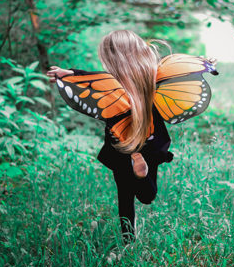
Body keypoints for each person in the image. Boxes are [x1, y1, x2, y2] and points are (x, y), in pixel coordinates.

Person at [47, 30, 218, 242]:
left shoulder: (110, 82)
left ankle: (128, 240)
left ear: (109, 57)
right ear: (139, 50)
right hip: (152, 139)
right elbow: (181, 68)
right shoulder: (152, 73)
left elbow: (89, 80)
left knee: (125, 195)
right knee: (147, 196)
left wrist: (68, 74)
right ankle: (143, 174)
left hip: (121, 140)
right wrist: (205, 64)